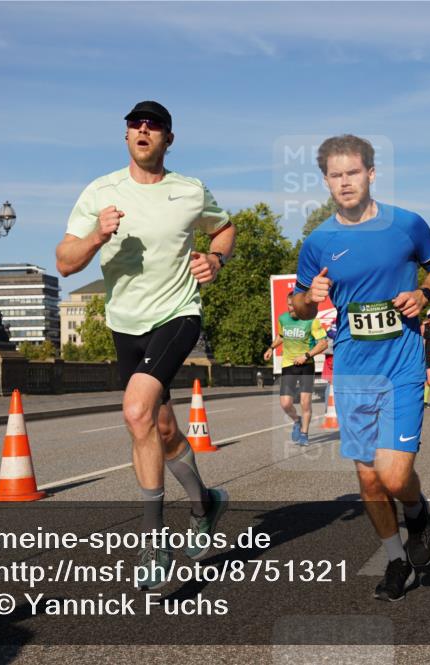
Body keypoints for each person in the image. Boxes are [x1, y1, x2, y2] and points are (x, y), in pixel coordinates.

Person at [55, 100, 234, 589]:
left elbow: (224, 228)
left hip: (177, 314)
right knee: (162, 425)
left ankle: (156, 547)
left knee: (136, 412)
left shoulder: (190, 190)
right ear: (126, 134)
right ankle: (206, 503)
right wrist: (97, 235)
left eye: (153, 126)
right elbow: (66, 262)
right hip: (124, 323)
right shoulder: (101, 192)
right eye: (135, 124)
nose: (143, 130)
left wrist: (216, 261)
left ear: (168, 139)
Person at [292, 134, 430, 602]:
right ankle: (397, 561)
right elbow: (298, 305)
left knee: (395, 477)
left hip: (401, 363)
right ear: (326, 181)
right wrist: (308, 299)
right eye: (335, 176)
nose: (345, 182)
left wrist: (425, 294)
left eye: (353, 173)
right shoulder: (319, 241)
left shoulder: (407, 225)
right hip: (354, 369)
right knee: (367, 477)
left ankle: (417, 513)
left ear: (371, 174)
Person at [264, 292, 329, 446]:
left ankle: (304, 434)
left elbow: (323, 343)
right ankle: (297, 420)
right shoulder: (283, 319)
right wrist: (271, 348)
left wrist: (306, 356)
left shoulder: (311, 321)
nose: (291, 308)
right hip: (288, 364)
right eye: (289, 304)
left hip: (306, 365)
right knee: (285, 403)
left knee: (305, 402)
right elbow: (281, 335)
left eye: (293, 305)